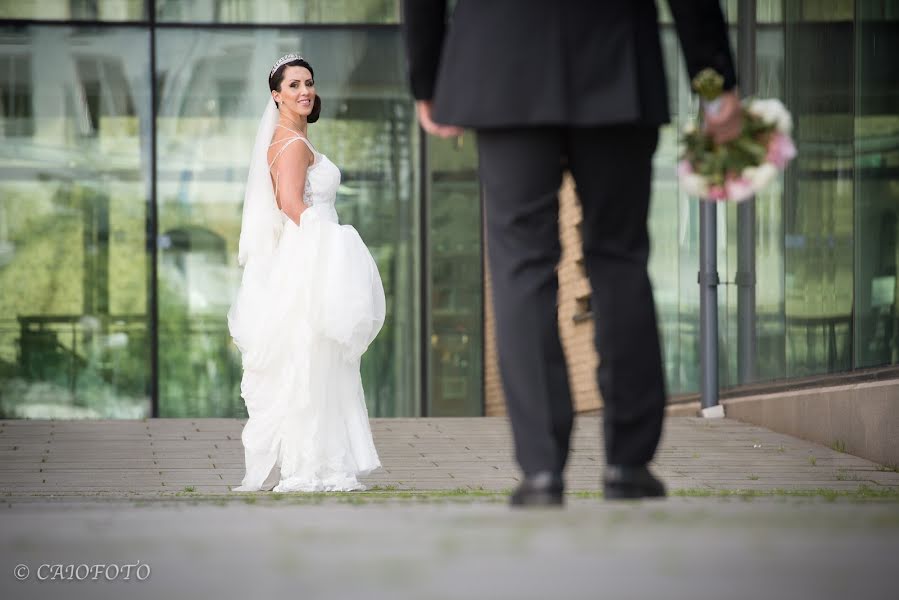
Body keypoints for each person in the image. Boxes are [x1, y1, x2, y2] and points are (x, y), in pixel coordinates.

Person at [402, 1, 741, 505]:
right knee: (619, 258)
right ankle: (628, 464)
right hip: (614, 58)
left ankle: (541, 470)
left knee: (520, 266)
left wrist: (428, 80)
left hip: (502, 64)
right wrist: (714, 87)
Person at [228, 54, 386, 493]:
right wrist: (331, 244)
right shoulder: (292, 144)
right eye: (293, 85)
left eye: (309, 83)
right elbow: (291, 205)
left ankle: (320, 462)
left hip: (305, 250)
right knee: (312, 359)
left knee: (315, 360)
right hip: (309, 252)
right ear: (276, 95)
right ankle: (311, 467)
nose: (304, 92)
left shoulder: (288, 139)